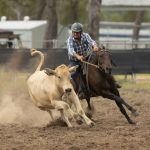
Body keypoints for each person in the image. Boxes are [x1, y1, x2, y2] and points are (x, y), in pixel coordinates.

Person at [67, 22, 99, 99]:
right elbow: (71, 50)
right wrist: (78, 57)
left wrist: (95, 46)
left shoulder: (86, 36)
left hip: (87, 57)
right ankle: (74, 90)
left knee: (98, 66)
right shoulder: (70, 39)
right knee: (72, 73)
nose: (75, 34)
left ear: (81, 32)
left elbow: (92, 42)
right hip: (75, 60)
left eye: (77, 32)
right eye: (74, 32)